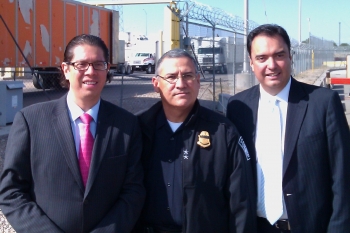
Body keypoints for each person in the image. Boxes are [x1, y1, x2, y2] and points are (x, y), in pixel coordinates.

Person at [0, 34, 145, 233]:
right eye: (82, 64)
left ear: (107, 69)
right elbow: (11, 191)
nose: (91, 72)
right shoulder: (31, 120)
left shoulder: (126, 124)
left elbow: (133, 191)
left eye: (98, 64)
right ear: (66, 69)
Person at [226, 24, 350, 233]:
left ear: (290, 57)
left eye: (279, 55)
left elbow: (343, 176)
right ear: (251, 62)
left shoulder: (322, 103)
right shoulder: (238, 108)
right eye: (262, 58)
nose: (271, 65)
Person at [133, 48, 255, 233]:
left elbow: (241, 203)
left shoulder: (223, 132)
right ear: (156, 83)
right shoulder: (137, 130)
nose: (181, 84)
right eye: (171, 77)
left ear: (198, 81)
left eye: (188, 75)